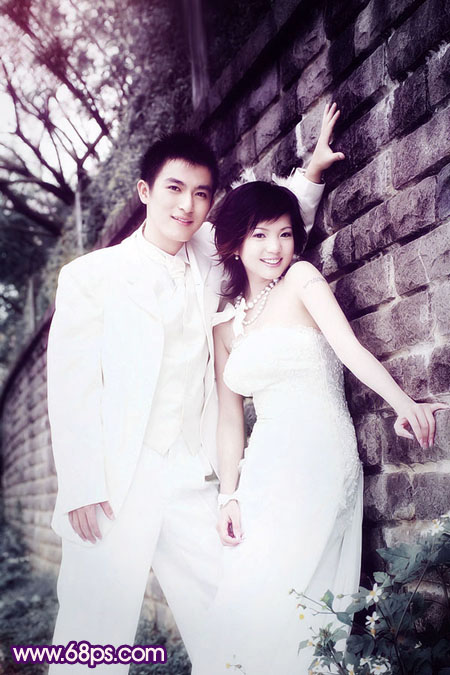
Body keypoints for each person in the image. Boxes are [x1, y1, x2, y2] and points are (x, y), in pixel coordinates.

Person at [46, 107, 341, 673]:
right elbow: (70, 387)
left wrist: (312, 173)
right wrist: (81, 484)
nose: (187, 205)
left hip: (189, 471)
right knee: (93, 626)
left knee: (227, 611)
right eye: (174, 189)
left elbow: (268, 231)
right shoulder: (91, 276)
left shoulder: (211, 249)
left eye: (201, 194)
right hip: (113, 482)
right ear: (145, 191)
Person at [191, 178, 446, 675]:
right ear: (235, 243)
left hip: (318, 457)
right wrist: (228, 496)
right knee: (246, 588)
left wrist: (403, 403)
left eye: (285, 234)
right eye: (260, 234)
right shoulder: (223, 327)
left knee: (287, 591)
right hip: (263, 468)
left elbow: (350, 349)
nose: (275, 247)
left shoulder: (301, 279)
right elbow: (229, 418)